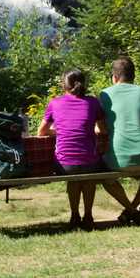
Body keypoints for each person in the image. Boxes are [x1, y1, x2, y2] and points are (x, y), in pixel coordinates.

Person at [98, 56, 140, 225]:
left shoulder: (105, 94)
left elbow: (102, 129)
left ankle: (130, 210)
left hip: (118, 161)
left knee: (105, 178)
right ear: (133, 76)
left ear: (114, 77)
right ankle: (134, 210)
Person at [37, 68, 105, 231]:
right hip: (89, 160)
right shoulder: (93, 102)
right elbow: (102, 129)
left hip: (64, 163)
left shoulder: (55, 103)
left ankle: (74, 215)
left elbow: (41, 132)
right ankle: (88, 216)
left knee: (73, 178)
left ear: (64, 85)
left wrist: (59, 130)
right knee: (89, 178)